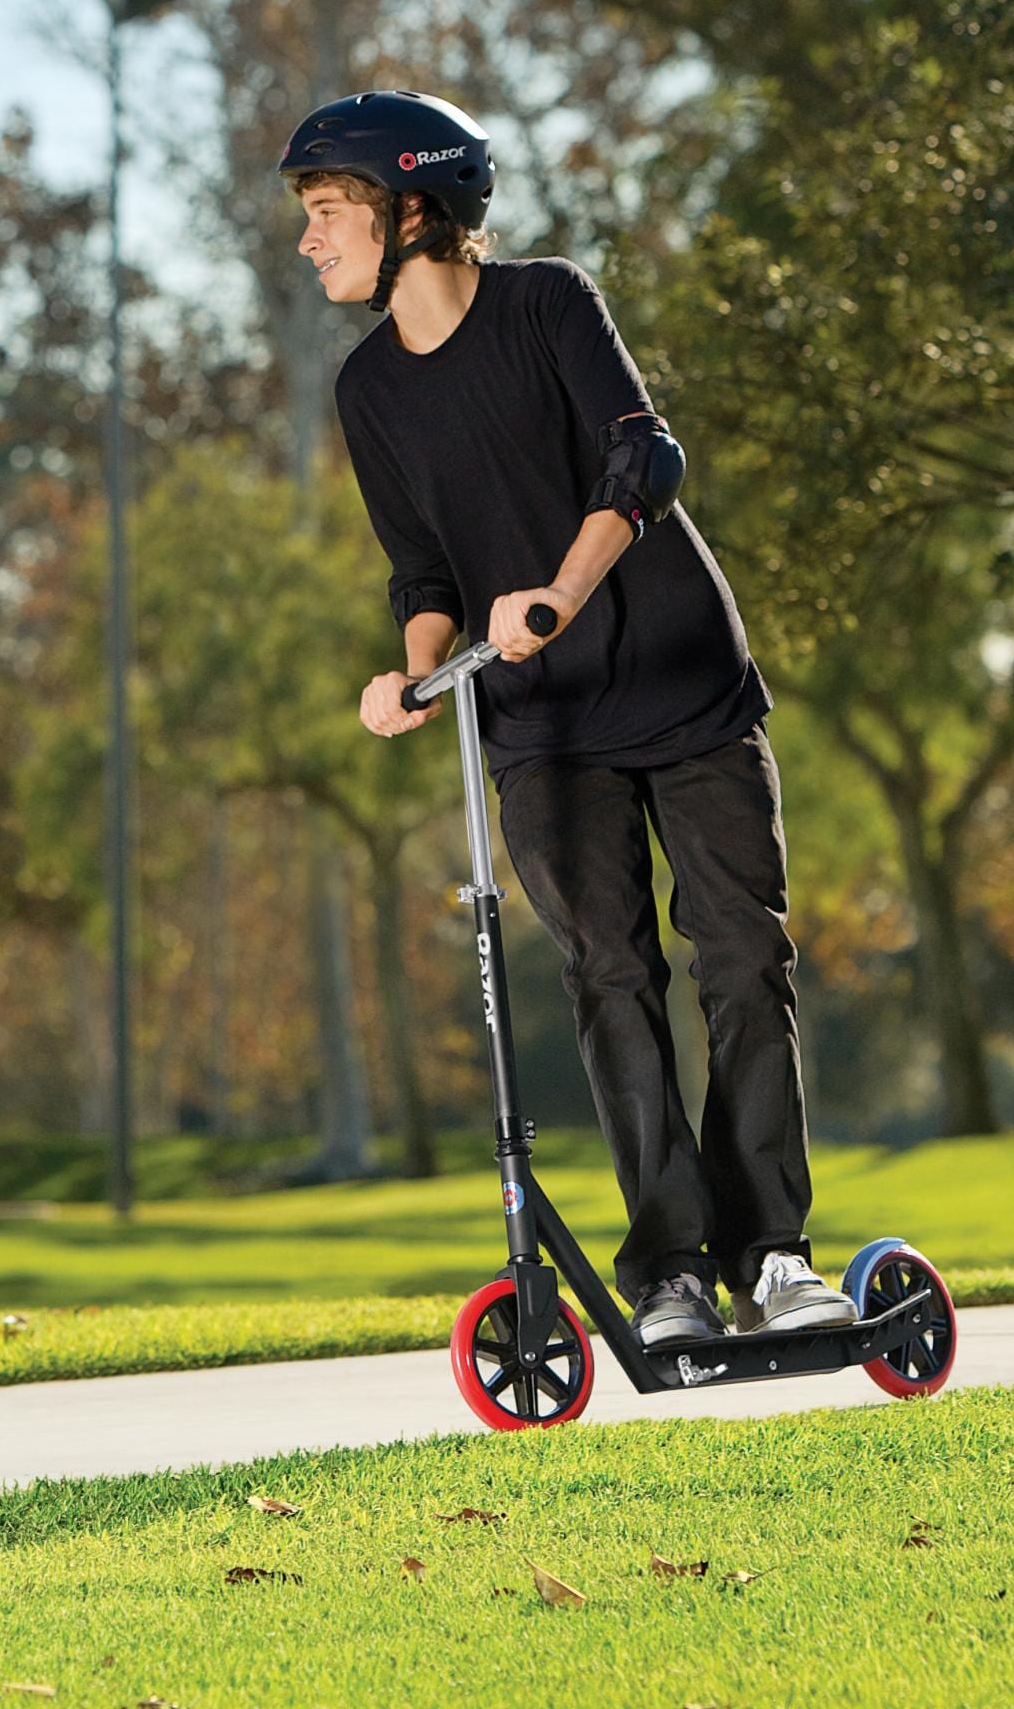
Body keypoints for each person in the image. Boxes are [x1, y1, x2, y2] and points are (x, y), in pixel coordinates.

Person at [281, 89, 853, 1345]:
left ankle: (776, 1255)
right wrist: (415, 672)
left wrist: (560, 592)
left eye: (329, 213)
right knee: (608, 976)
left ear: (415, 209)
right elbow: (423, 574)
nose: (311, 241)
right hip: (538, 716)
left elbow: (642, 459)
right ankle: (672, 1274)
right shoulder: (367, 388)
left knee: (743, 959)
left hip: (677, 676)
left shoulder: (549, 302)